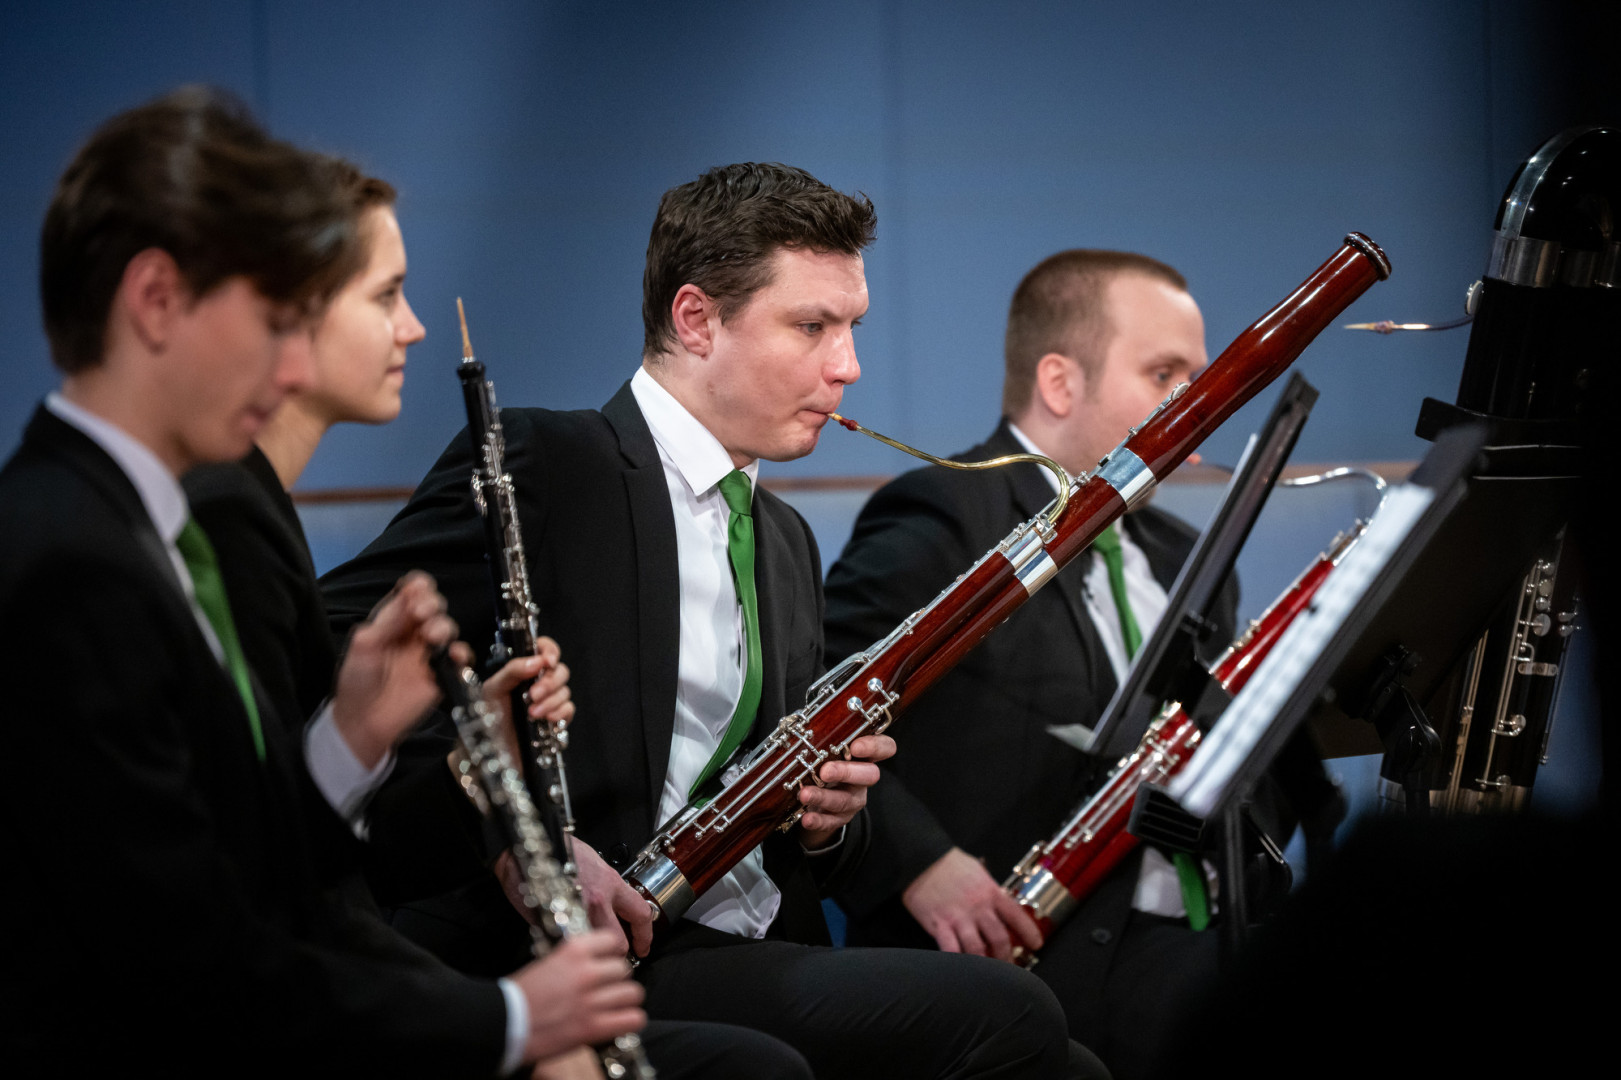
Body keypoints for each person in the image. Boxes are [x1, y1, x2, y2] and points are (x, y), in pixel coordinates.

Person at [321, 162, 1090, 1079]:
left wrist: (828, 820)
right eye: (811, 326)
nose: (846, 366)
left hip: (747, 942)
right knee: (1009, 1013)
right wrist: (516, 838)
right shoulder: (547, 463)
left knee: (1069, 1062)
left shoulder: (783, 537)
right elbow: (333, 654)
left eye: (851, 328)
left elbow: (791, 818)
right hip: (583, 951)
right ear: (695, 320)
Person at [0, 87, 641, 1075]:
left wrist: (351, 736)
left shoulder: (125, 527)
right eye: (274, 315)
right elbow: (187, 953)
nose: (291, 363)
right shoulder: (73, 563)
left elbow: (231, 867)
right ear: (157, 301)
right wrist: (510, 1021)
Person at [826, 250, 1238, 1080]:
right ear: (1059, 383)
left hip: (1195, 924)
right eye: (1164, 375)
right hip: (1032, 950)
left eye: (1197, 380)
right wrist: (917, 863)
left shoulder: (1188, 556)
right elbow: (820, 704)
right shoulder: (946, 516)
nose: (1197, 407)